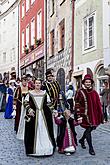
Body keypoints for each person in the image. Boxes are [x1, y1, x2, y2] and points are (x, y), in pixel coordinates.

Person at [23, 78, 55, 156]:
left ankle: (47, 147)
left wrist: (53, 111)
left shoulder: (45, 93)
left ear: (41, 84)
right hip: (34, 115)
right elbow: (25, 102)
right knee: (32, 131)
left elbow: (49, 103)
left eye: (39, 83)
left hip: (44, 115)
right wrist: (29, 109)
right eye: (36, 83)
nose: (38, 85)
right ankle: (33, 149)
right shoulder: (30, 93)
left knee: (45, 130)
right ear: (34, 84)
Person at [74, 74, 103, 155]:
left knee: (90, 129)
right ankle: (91, 148)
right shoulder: (80, 92)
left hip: (94, 115)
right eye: (86, 82)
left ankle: (82, 140)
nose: (88, 83)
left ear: (91, 83)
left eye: (89, 82)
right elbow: (77, 104)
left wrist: (100, 115)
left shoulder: (94, 92)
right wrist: (79, 115)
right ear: (84, 83)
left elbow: (98, 104)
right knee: (88, 130)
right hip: (85, 115)